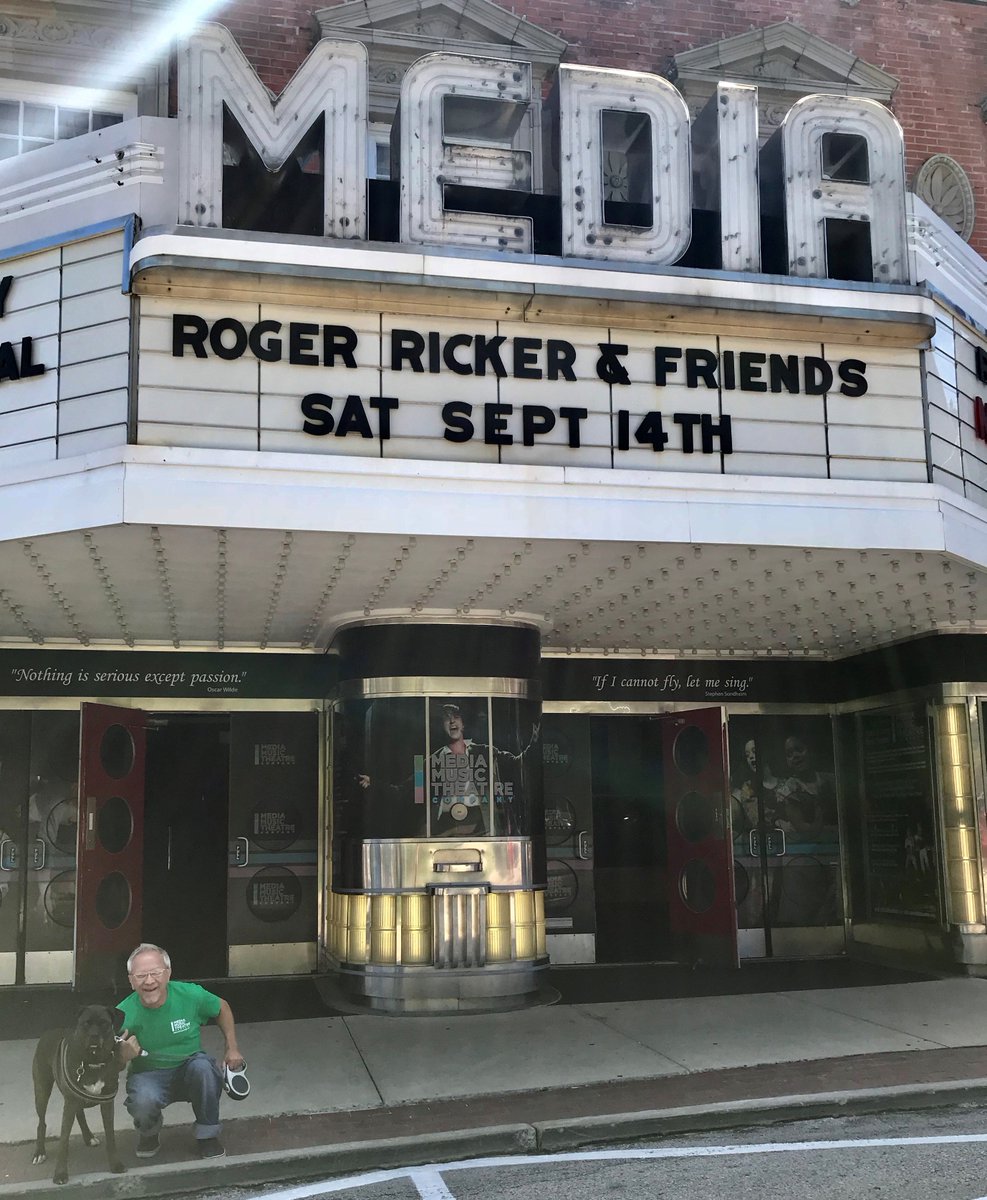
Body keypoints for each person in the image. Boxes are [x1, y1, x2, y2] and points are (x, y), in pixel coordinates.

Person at [116, 943, 244, 1161]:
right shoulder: (122, 1014)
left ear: (168, 974)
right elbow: (109, 1065)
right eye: (141, 976)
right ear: (131, 980)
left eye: (156, 973)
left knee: (204, 1069)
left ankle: (207, 1135)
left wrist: (232, 1048)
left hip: (190, 1067)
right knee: (142, 1099)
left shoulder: (190, 994)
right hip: (149, 1074)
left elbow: (221, 1007)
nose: (149, 981)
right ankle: (149, 1132)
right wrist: (122, 1056)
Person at [429, 703, 539, 837]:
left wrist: (535, 742)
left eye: (456, 717)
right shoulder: (431, 762)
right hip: (445, 830)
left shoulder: (485, 752)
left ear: (463, 724)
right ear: (441, 726)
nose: (452, 721)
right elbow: (413, 790)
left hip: (482, 827)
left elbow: (517, 764)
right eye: (447, 718)